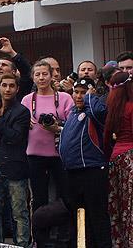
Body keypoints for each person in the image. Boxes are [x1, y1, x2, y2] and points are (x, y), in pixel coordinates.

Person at [22, 59, 74, 243]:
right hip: (34, 156)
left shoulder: (65, 98)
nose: (41, 77)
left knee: (66, 198)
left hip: (60, 156)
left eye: (45, 73)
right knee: (39, 200)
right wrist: (23, 123)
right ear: (32, 78)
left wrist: (57, 127)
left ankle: (65, 239)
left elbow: (74, 126)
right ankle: (40, 241)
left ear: (52, 76)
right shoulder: (27, 100)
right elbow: (20, 125)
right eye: (37, 74)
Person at [58, 77, 112, 248]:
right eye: (76, 92)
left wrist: (91, 96)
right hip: (73, 173)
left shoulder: (94, 112)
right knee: (79, 217)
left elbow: (100, 112)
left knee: (97, 217)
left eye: (83, 92)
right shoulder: (73, 113)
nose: (79, 96)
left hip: (92, 171)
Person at [0, 74, 31, 247]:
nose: (8, 89)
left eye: (11, 86)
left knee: (19, 212)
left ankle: (22, 245)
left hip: (14, 167)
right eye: (4, 85)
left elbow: (15, 137)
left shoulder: (22, 111)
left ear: (17, 89)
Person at [103, 67, 133, 247]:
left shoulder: (112, 108)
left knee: (118, 204)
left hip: (116, 159)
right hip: (130, 159)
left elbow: (106, 139)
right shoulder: (131, 107)